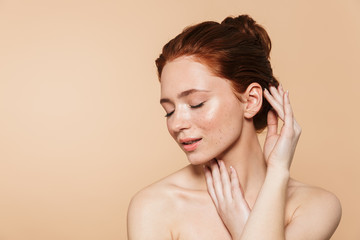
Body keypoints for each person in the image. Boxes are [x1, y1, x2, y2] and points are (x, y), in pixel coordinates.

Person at [127, 15, 341, 239]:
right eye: (169, 110)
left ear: (250, 100)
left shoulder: (314, 206)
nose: (176, 124)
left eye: (196, 103)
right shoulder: (155, 207)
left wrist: (276, 175)